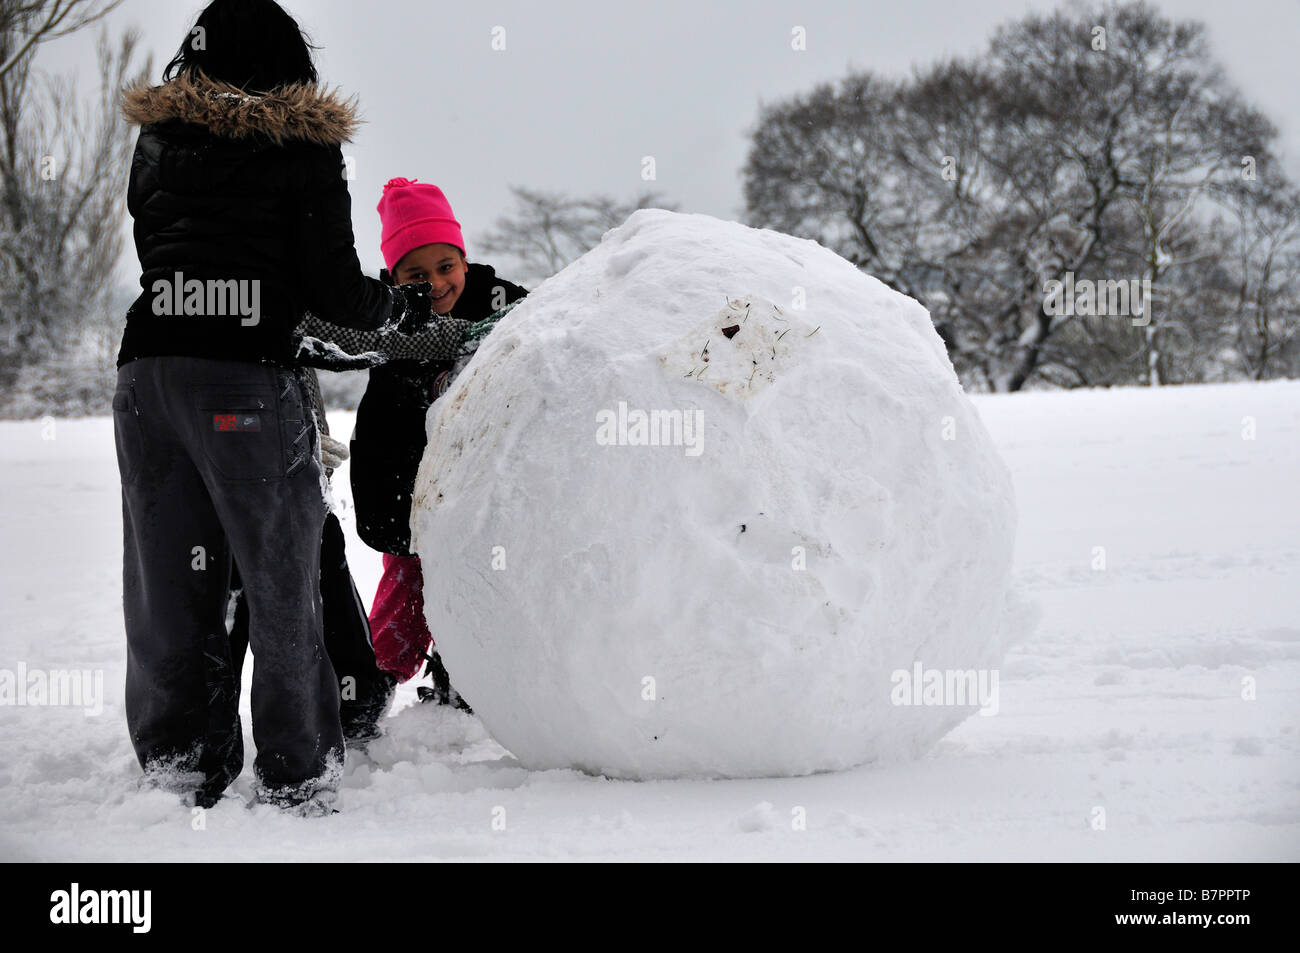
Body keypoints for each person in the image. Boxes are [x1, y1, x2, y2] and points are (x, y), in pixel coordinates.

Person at [114, 0, 467, 814]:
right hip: (245, 383)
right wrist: (402, 313)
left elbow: (160, 249)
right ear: (289, 60)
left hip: (148, 378)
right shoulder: (300, 143)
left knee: (168, 579)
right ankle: (298, 769)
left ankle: (178, 764)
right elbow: (338, 293)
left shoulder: (158, 139)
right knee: (282, 577)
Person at [298, 178, 527, 708]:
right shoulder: (387, 319)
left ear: (464, 260)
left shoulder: (505, 305)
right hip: (406, 476)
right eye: (416, 274)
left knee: (478, 579)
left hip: (482, 483)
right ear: (393, 277)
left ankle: (465, 678)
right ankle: (378, 676)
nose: (437, 283)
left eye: (446, 266)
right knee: (408, 579)